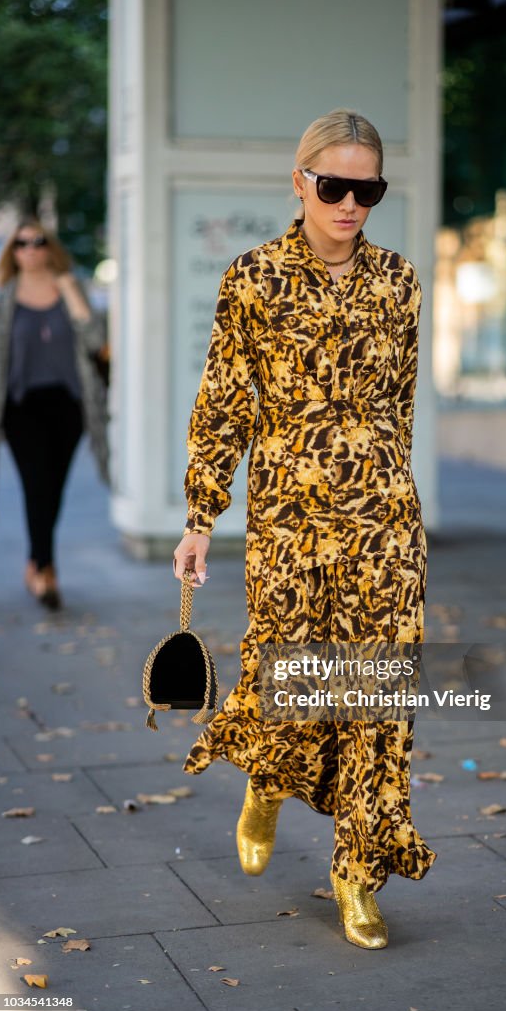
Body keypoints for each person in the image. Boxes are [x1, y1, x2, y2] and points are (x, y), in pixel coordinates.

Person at [173, 109, 436, 949]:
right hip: (288, 521)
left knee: (376, 700)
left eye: (368, 189)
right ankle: (266, 777)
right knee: (289, 681)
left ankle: (357, 873)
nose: (351, 204)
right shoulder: (251, 278)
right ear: (300, 183)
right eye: (335, 186)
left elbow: (399, 403)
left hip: (384, 523)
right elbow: (223, 402)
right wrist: (199, 515)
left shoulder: (399, 282)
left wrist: (391, 493)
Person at [0, 218, 109, 609]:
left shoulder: (70, 287)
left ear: (49, 247)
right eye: (21, 243)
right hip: (21, 406)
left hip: (69, 405)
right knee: (35, 485)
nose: (31, 249)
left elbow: (95, 341)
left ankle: (36, 563)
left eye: (39, 241)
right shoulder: (5, 297)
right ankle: (45, 569)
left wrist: (71, 292)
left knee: (52, 489)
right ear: (14, 252)